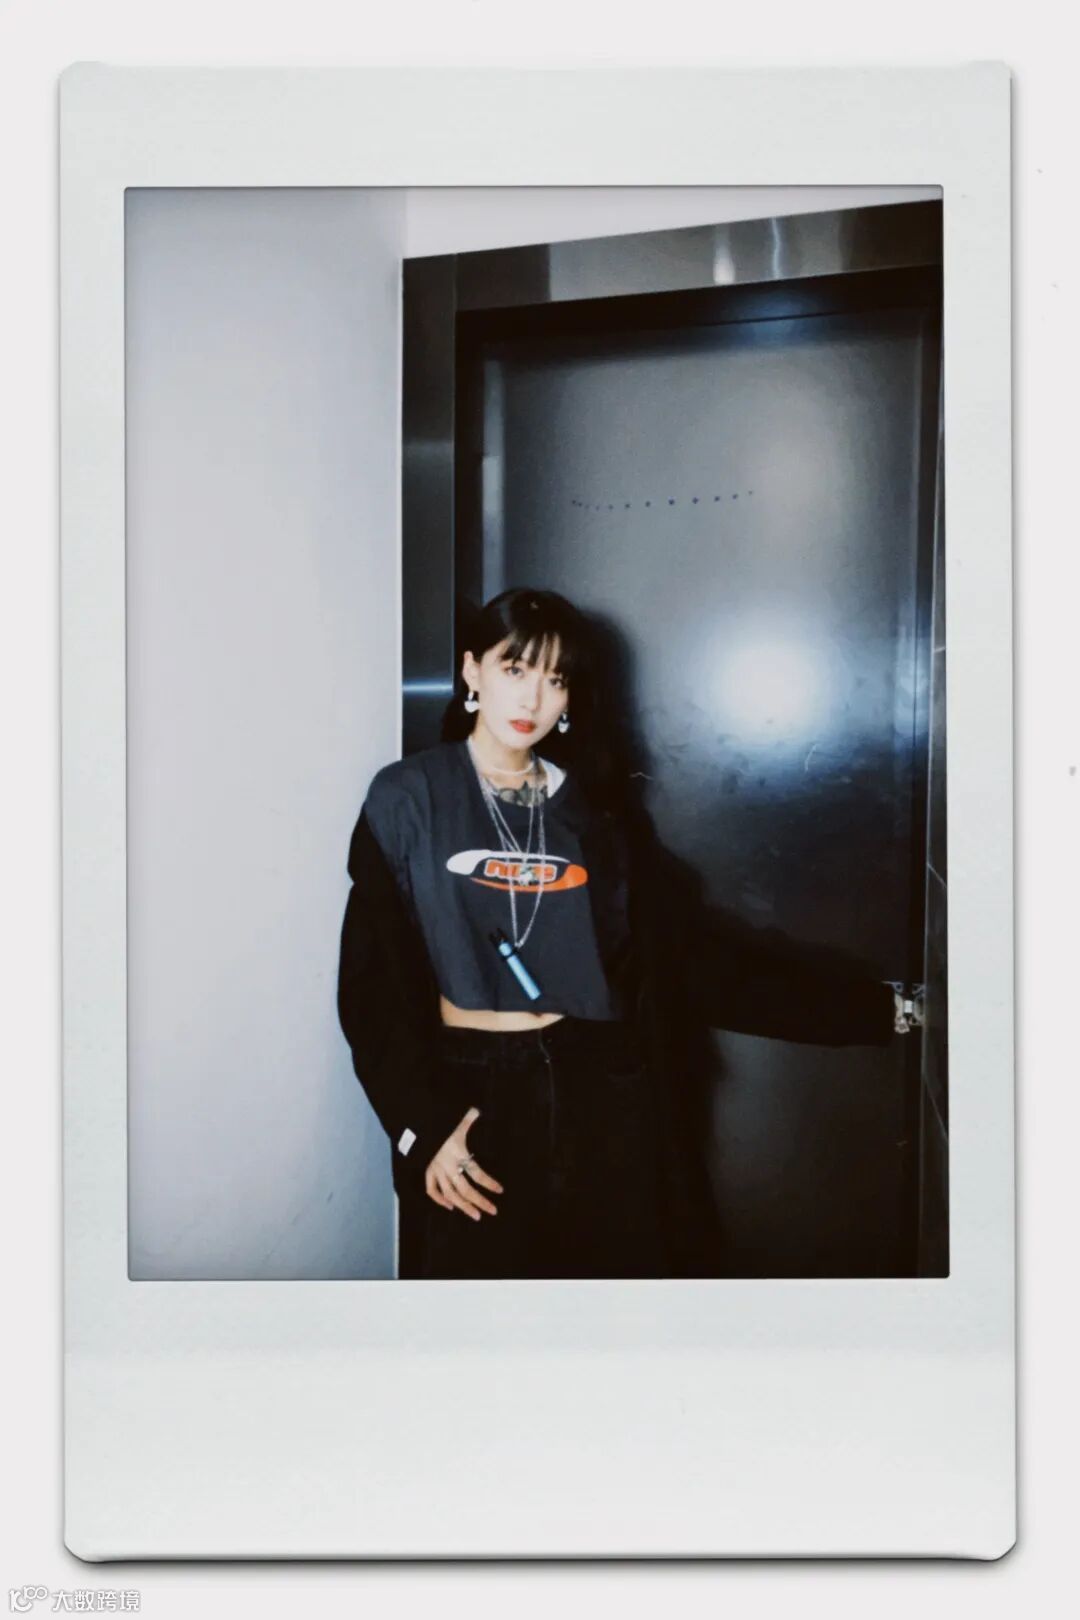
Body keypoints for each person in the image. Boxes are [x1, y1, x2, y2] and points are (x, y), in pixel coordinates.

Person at [336, 587, 919, 1280]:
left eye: (555, 679)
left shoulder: (594, 814)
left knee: (614, 1304)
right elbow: (369, 992)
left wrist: (879, 1010)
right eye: (514, 668)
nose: (532, 698)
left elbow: (692, 964)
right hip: (472, 1094)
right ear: (472, 671)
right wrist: (423, 1128)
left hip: (599, 1086)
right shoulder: (407, 799)